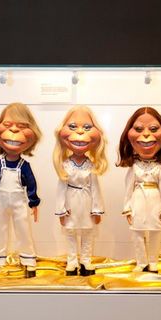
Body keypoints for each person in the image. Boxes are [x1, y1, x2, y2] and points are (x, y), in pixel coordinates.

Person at [117, 107, 161, 272]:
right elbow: (128, 188)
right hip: (138, 201)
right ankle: (141, 262)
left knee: (156, 232)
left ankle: (153, 262)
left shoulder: (159, 168)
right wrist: (127, 208)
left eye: (154, 129)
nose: (147, 135)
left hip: (155, 201)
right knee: (137, 233)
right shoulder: (134, 167)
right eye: (138, 129)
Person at [0, 102, 42, 277]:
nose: (13, 131)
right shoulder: (0, 165)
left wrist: (34, 202)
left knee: (23, 231)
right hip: (1, 202)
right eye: (7, 125)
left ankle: (29, 262)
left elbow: (31, 184)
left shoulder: (24, 166)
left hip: (19, 203)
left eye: (22, 126)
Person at [53, 106, 107, 276]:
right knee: (70, 233)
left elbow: (95, 189)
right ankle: (72, 261)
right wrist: (61, 210)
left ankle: (85, 261)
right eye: (73, 127)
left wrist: (97, 210)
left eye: (87, 127)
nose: (80, 133)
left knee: (87, 233)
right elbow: (61, 189)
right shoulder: (65, 165)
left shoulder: (91, 165)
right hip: (71, 202)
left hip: (86, 202)